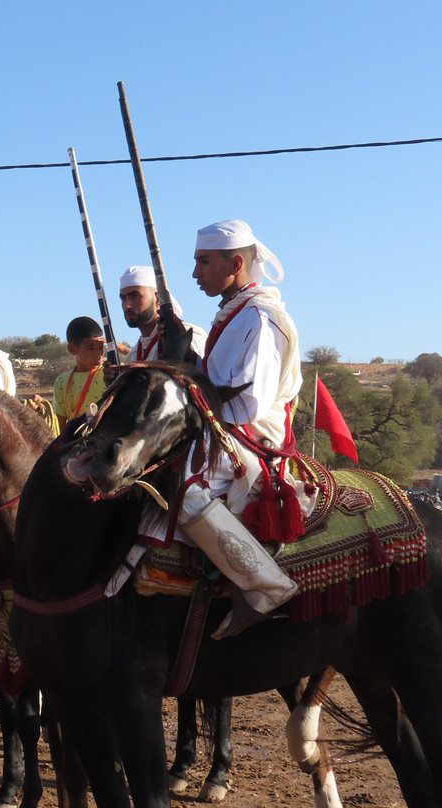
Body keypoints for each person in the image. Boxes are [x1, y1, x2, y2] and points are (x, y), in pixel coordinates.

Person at [176, 219, 310, 639]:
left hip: (254, 441)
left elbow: (246, 405)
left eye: (203, 262)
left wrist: (191, 388)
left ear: (235, 262)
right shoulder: (235, 316)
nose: (195, 273)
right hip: (225, 430)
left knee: (179, 490)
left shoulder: (259, 320)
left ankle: (262, 590)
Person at [116, 265, 207, 366]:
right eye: (123, 298)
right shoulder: (133, 354)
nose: (127, 305)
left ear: (158, 299)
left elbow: (205, 376)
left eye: (135, 296)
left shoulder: (188, 336)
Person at [50, 317, 107, 431]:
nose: (98, 355)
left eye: (101, 347)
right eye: (91, 348)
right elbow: (59, 427)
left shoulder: (112, 373)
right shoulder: (62, 382)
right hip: (73, 446)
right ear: (72, 349)